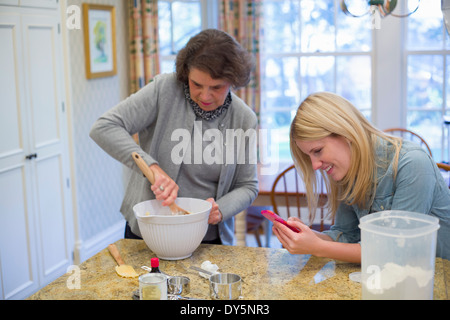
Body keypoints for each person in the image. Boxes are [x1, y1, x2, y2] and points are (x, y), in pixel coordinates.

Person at [90, 29, 258, 245]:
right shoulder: (164, 90)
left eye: (216, 87)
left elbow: (248, 185)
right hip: (149, 233)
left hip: (206, 240)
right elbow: (104, 127)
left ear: (233, 81)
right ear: (186, 73)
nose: (205, 96)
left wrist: (220, 209)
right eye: (196, 84)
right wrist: (152, 167)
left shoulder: (244, 119)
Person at [273, 92, 450, 262]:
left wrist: (316, 247)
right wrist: (308, 237)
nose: (315, 165)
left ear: (345, 133)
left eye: (318, 151)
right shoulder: (348, 170)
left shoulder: (413, 164)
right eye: (309, 156)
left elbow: (395, 251)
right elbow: (346, 235)